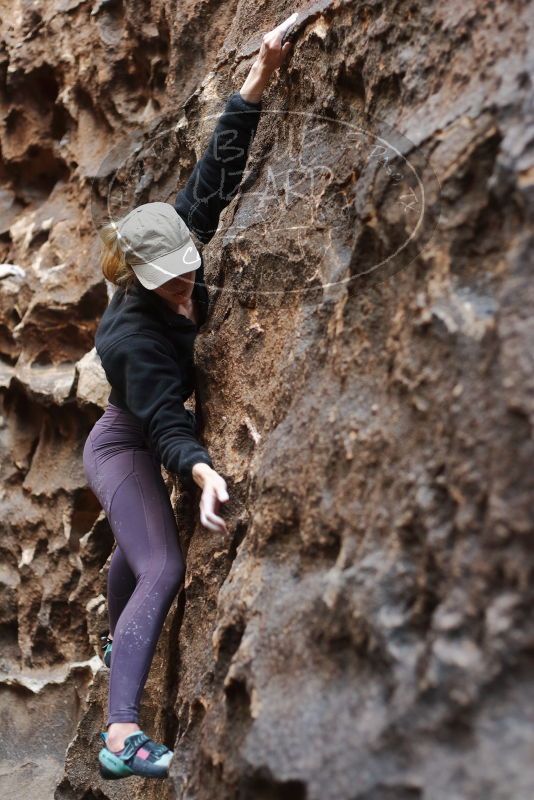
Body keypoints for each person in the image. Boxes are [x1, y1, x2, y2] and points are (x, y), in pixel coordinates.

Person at [83, 13, 297, 782]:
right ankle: (120, 735)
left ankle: (116, 644)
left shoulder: (174, 238)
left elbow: (216, 169)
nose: (184, 282)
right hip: (125, 444)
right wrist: (202, 470)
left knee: (131, 552)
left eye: (186, 264)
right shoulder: (129, 338)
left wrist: (262, 72)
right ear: (136, 279)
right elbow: (166, 420)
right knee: (163, 567)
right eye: (167, 277)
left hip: (147, 438)